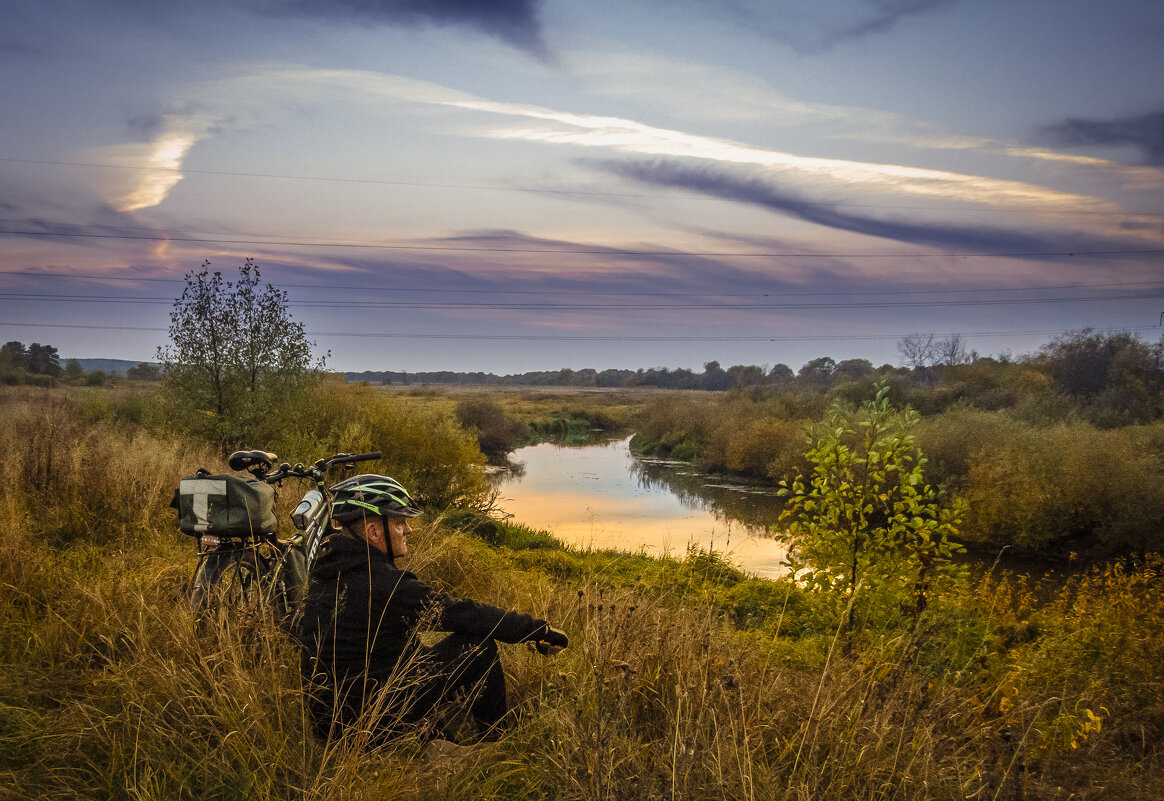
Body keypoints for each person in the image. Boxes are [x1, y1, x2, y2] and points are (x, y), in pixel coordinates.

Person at [297, 474, 567, 745]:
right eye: (400, 522)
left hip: (333, 721)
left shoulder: (329, 568)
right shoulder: (383, 583)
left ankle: (436, 737)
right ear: (373, 531)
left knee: (417, 655)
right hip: (365, 725)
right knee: (478, 647)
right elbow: (464, 613)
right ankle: (496, 745)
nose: (408, 530)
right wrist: (536, 630)